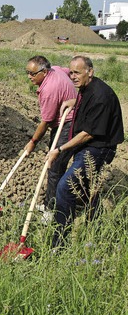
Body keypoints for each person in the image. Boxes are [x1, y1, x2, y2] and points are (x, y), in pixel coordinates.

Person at [47, 56, 124, 248]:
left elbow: (88, 134)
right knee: (87, 189)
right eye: (70, 72)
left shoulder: (101, 96)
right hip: (88, 146)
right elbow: (85, 101)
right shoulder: (87, 88)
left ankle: (58, 243)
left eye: (77, 72)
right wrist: (75, 101)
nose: (73, 76)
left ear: (90, 71)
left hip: (98, 149)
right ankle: (96, 226)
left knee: (66, 187)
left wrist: (59, 149)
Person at [24, 55, 77, 218]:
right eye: (27, 72)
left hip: (67, 125)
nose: (29, 77)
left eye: (33, 74)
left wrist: (33, 142)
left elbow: (46, 121)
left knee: (55, 167)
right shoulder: (58, 70)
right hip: (69, 122)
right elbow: (70, 72)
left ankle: (51, 211)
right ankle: (49, 203)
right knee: (54, 166)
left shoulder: (49, 90)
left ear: (45, 72)